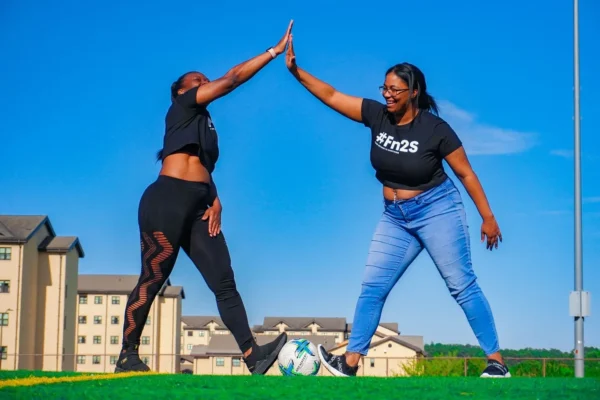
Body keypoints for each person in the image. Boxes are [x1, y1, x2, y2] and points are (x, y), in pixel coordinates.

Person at [284, 35, 510, 378]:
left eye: (395, 90)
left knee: (461, 285)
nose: (387, 95)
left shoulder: (435, 129)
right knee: (373, 287)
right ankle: (350, 364)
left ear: (413, 91)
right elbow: (332, 95)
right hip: (395, 217)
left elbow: (466, 173)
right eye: (384, 88)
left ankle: (497, 363)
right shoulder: (377, 116)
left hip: (437, 209)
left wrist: (488, 218)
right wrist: (297, 71)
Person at [115, 21, 294, 375]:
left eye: (203, 79)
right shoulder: (182, 107)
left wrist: (216, 198)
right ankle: (127, 354)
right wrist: (273, 52)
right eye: (197, 81)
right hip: (166, 199)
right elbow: (231, 80)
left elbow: (204, 167)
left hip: (200, 205)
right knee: (153, 276)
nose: (203, 82)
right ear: (180, 92)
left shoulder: (207, 127)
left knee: (224, 280)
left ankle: (252, 356)